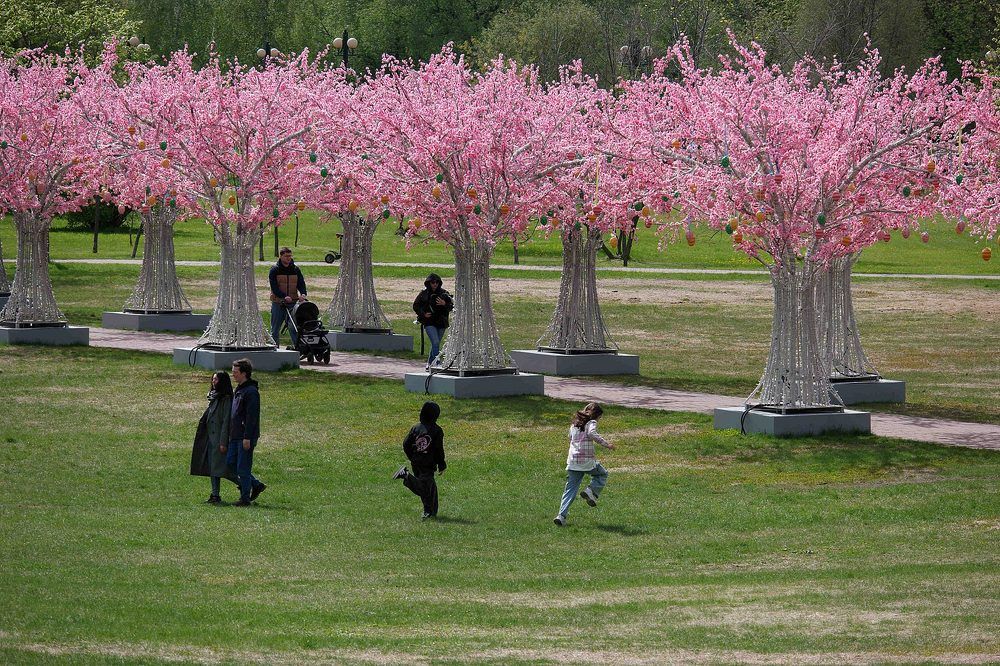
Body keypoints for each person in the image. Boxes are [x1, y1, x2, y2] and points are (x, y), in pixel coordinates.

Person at [554, 402, 615, 526]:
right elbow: (592, 433)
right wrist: (607, 444)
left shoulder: (574, 424)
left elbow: (570, 437)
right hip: (586, 461)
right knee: (602, 474)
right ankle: (590, 491)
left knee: (569, 490)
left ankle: (561, 516)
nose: (599, 420)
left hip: (572, 462)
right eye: (599, 417)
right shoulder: (591, 423)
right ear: (596, 415)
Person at [190, 371, 239, 503]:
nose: (213, 382)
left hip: (218, 440)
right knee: (214, 468)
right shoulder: (214, 397)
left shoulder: (226, 399)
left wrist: (223, 442)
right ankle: (215, 495)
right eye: (212, 379)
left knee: (223, 469)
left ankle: (250, 485)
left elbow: (225, 422)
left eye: (216, 380)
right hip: (211, 439)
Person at [392, 401, 446, 520]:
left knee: (429, 487)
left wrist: (413, 457)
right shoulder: (437, 430)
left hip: (416, 463)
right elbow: (438, 450)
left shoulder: (415, 428)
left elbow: (406, 444)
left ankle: (430, 511)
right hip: (427, 464)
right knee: (425, 488)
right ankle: (405, 475)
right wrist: (442, 465)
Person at [227, 358, 267, 506]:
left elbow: (252, 417)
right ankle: (255, 484)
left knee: (243, 468)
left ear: (244, 373)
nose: (233, 375)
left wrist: (247, 437)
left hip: (245, 436)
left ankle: (245, 499)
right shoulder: (238, 389)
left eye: (235, 372)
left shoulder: (251, 392)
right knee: (231, 463)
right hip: (235, 434)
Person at [412, 273, 453, 369]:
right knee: (435, 342)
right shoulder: (424, 293)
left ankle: (430, 363)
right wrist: (423, 314)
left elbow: (452, 306)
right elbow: (416, 306)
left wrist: (444, 304)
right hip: (429, 321)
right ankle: (437, 361)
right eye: (433, 282)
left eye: (437, 282)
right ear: (428, 283)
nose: (435, 284)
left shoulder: (444, 293)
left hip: (441, 322)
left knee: (437, 343)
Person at [269, 247, 307, 349]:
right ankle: (274, 348)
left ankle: (298, 349)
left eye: (290, 256)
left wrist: (303, 294)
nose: (288, 258)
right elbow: (274, 287)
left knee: (293, 327)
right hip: (278, 302)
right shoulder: (274, 270)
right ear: (280, 256)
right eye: (286, 256)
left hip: (293, 303)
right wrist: (283, 296)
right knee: (275, 329)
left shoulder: (295, 269)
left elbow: (301, 283)